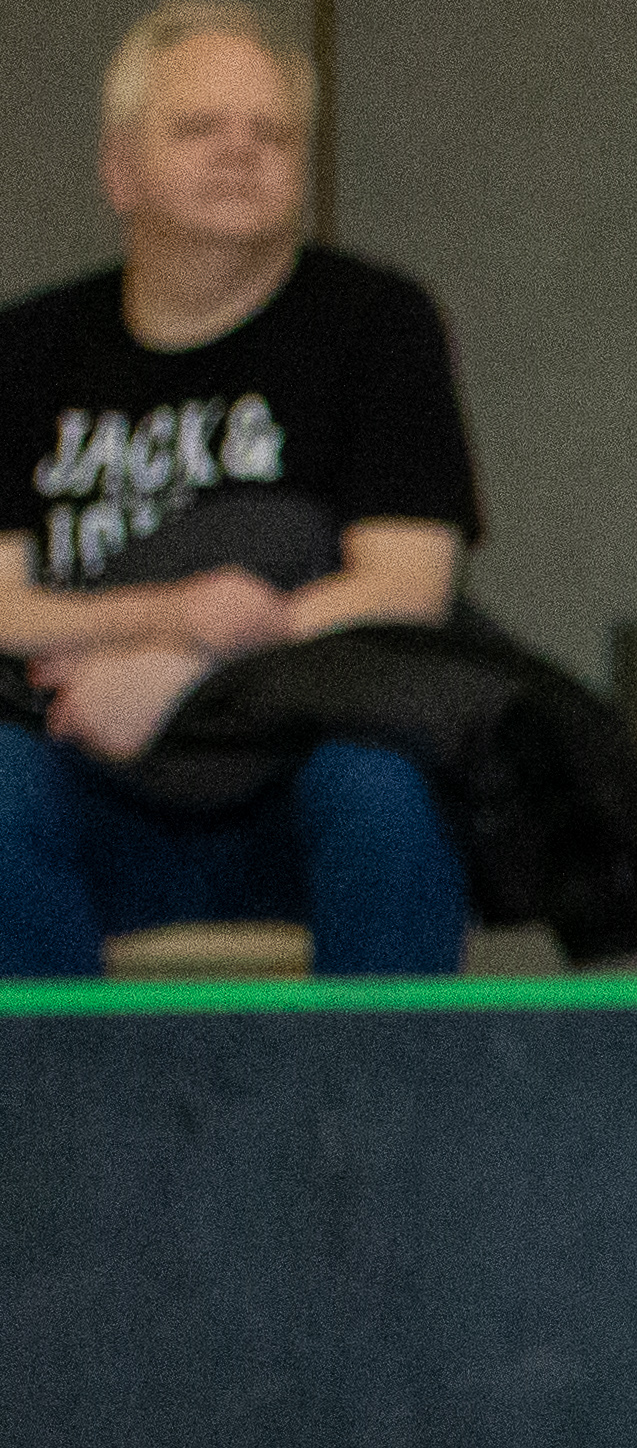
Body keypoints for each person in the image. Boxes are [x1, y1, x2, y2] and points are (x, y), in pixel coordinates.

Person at [0, 1, 475, 975]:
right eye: (199, 128)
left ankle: (389, 1118)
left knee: (381, 782)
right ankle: (54, 1124)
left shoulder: (374, 323)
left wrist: (194, 676)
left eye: (272, 134)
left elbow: (404, 588)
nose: (240, 153)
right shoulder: (26, 348)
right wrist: (177, 613)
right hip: (79, 779)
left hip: (297, 786)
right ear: (118, 167)